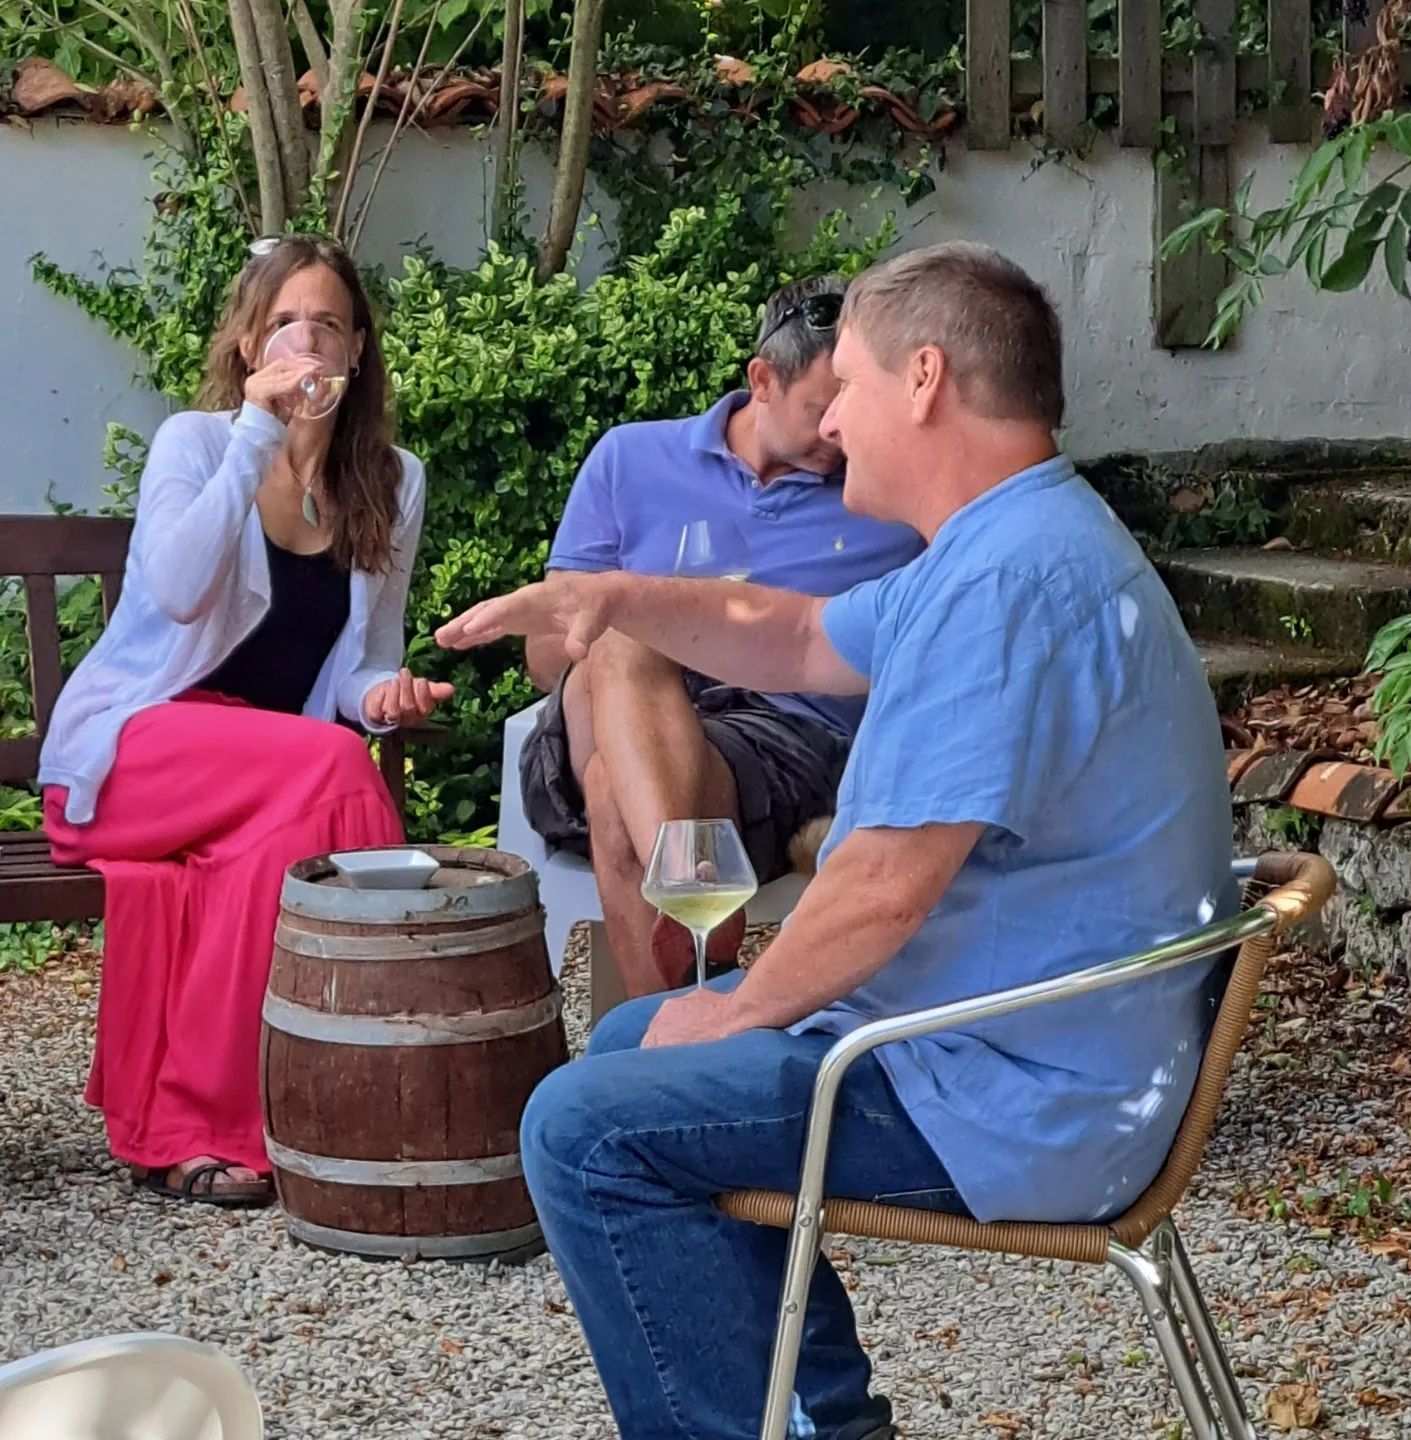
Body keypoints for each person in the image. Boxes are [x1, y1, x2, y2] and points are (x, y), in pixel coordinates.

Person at [436, 241, 1237, 1440]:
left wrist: (743, 1005)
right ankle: (821, 1421)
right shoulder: (1008, 543)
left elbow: (880, 889)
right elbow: (797, 636)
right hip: (1019, 1046)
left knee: (583, 1125)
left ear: (923, 380)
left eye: (849, 385)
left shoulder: (1007, 587)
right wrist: (612, 600)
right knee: (627, 1042)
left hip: (1019, 1096)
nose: (835, 422)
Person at [40, 235, 451, 1208]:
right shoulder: (195, 443)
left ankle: (216, 1123)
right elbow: (180, 594)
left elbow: (365, 662)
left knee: (296, 816)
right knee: (331, 769)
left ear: (358, 352)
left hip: (270, 777)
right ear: (247, 347)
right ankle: (387, 1087)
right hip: (133, 757)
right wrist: (256, 441)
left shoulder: (393, 481)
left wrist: (385, 695)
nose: (307, 341)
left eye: (329, 324)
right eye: (284, 323)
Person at [520, 275, 921, 996]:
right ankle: (693, 893)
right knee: (621, 631)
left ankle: (666, 1042)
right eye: (820, 410)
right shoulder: (628, 460)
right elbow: (545, 659)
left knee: (616, 788)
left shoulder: (884, 497)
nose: (837, 434)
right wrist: (656, 622)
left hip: (782, 739)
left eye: (850, 410)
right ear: (762, 380)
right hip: (602, 714)